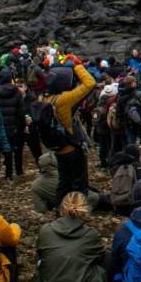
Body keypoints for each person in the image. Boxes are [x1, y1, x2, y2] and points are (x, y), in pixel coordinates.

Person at [26, 191, 107, 282]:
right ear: (86, 210)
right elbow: (100, 257)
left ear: (61, 209)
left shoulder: (46, 230)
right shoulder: (90, 234)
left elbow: (41, 256)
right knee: (105, 259)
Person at [48, 61, 96, 205]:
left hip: (58, 148)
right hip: (73, 148)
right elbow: (90, 83)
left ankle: (60, 212)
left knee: (64, 182)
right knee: (79, 185)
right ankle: (77, 212)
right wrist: (77, 66)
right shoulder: (64, 100)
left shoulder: (45, 98)